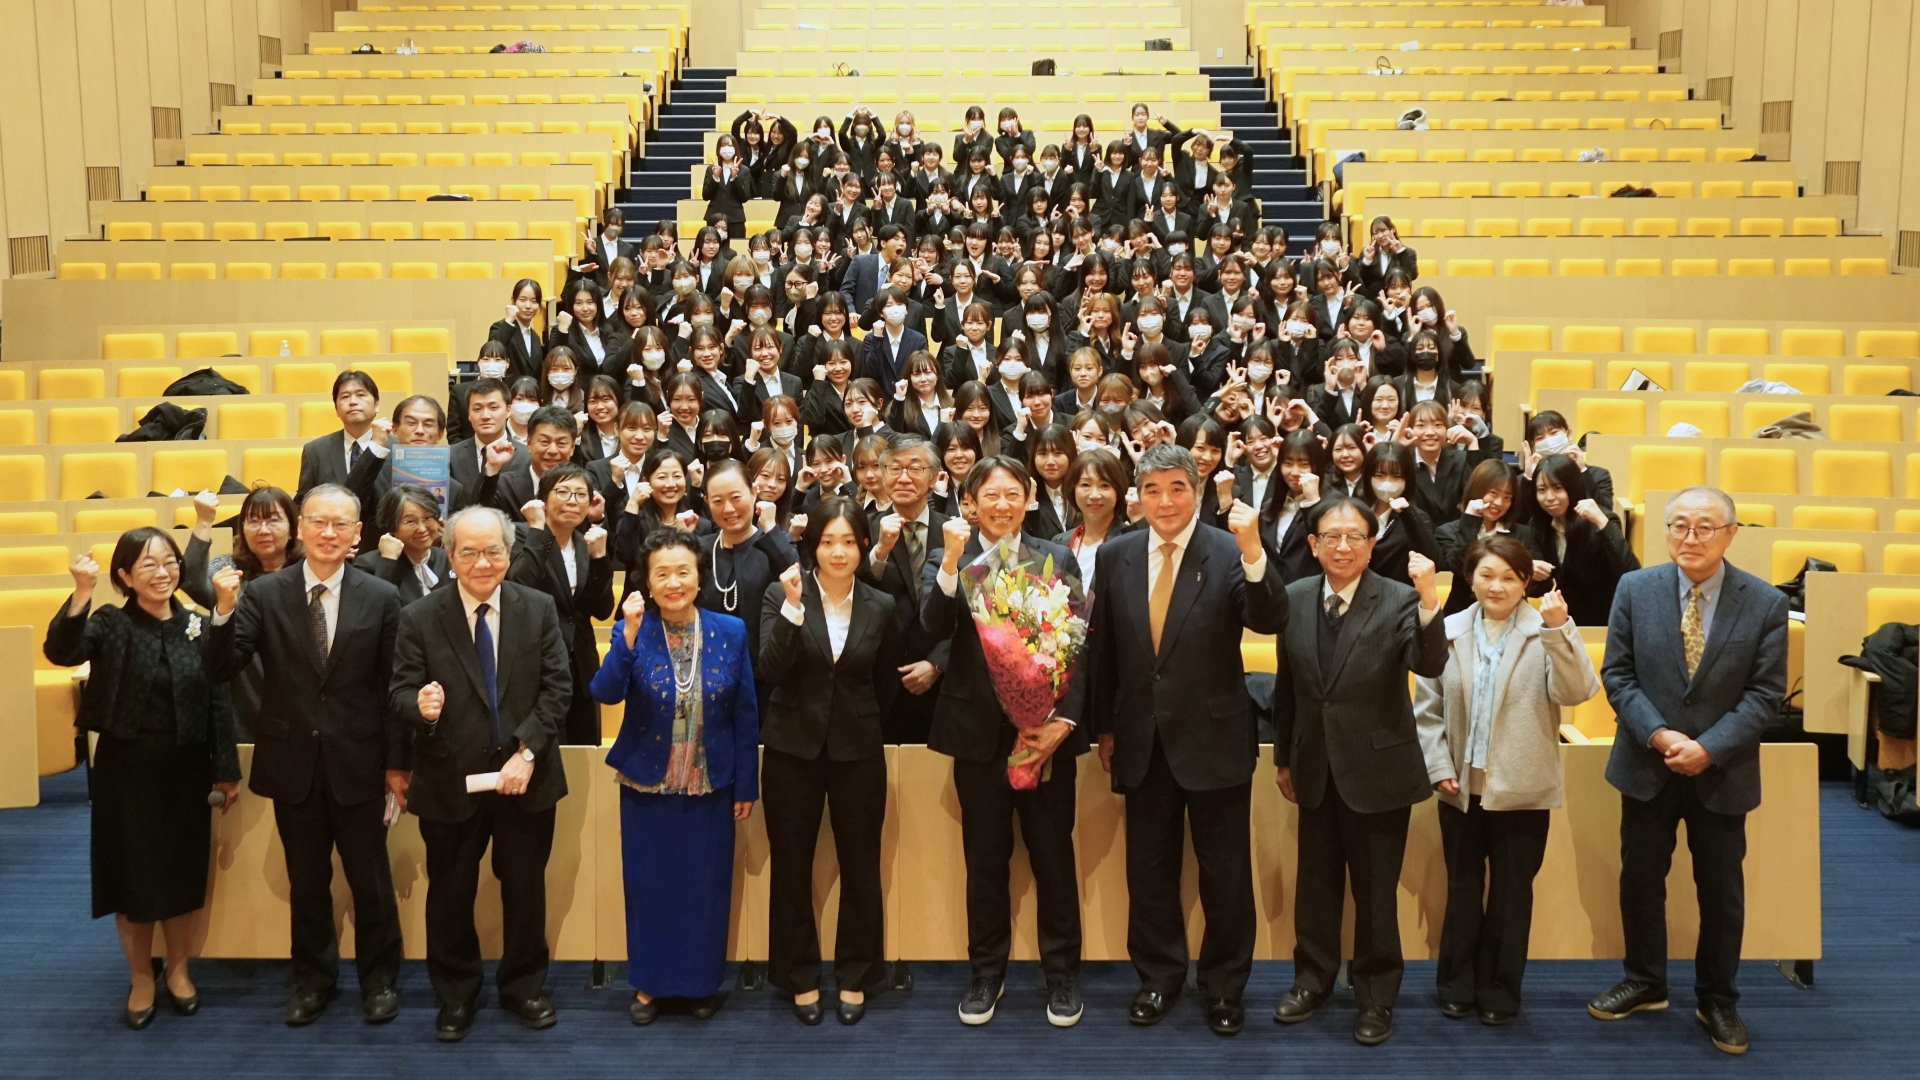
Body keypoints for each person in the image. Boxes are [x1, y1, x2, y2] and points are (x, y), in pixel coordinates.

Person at [1084, 442, 1288, 1037]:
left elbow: (1270, 617)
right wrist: (1103, 724)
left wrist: (1254, 552)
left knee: (1225, 875)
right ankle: (1158, 977)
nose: (1165, 501)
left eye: (1177, 488)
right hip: (1141, 740)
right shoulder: (1116, 555)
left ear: (1196, 492)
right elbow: (1104, 651)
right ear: (1137, 498)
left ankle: (1224, 988)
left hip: (1214, 740)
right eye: (1152, 489)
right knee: (1149, 871)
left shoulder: (1228, 551)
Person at [1586, 487, 1788, 1056]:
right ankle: (1645, 979)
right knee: (1640, 880)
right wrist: (1661, 734)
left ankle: (1717, 999)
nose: (1689, 538)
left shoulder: (1767, 602)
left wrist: (1709, 747)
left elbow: (1766, 694)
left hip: (1721, 772)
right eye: (1678, 526)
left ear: (1730, 533)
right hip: (1646, 763)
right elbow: (1618, 675)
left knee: (1721, 893)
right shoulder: (1634, 588)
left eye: (1703, 527)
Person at [201, 484, 406, 1027]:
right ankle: (313, 980)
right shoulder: (264, 594)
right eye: (318, 522)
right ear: (300, 529)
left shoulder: (382, 596)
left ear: (357, 534)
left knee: (371, 879)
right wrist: (222, 612)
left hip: (360, 762)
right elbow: (219, 668)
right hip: (292, 762)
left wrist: (397, 763)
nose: (328, 533)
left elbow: (394, 688)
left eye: (341, 524)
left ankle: (380, 979)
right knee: (307, 879)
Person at [389, 506, 572, 1042]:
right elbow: (399, 693)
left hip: (525, 779)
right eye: (468, 551)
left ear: (509, 554)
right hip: (450, 781)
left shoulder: (537, 608)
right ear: (449, 557)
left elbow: (558, 689)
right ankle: (455, 995)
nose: (482, 562)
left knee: (524, 891)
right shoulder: (420, 617)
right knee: (449, 895)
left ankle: (523, 988)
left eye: (493, 550)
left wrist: (528, 752)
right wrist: (417, 705)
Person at [45, 530, 240, 1029]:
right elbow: (61, 652)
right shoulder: (110, 623)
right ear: (125, 576)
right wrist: (82, 593)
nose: (162, 572)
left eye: (170, 562)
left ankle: (178, 970)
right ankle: (139, 977)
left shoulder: (197, 624)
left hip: (186, 770)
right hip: (124, 771)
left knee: (180, 875)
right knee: (128, 876)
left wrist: (225, 769)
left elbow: (219, 696)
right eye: (148, 565)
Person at [1271, 494, 1447, 1045]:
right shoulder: (1295, 597)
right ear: (1313, 545)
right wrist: (1282, 756)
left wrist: (1428, 601)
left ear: (1373, 546)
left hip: (1378, 770)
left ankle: (1377, 995)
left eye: (1354, 537)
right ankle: (1313, 978)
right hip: (1313, 766)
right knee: (1316, 887)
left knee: (1375, 893)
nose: (1342, 546)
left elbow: (1430, 662)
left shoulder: (1398, 599)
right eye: (1331, 536)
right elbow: (1289, 688)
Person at [921, 455, 1088, 1027]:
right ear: (970, 502)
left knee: (1054, 860)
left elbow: (1077, 646)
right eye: (988, 495)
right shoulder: (951, 559)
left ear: (1029, 498)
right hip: (978, 739)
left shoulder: (1057, 556)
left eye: (1011, 493)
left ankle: (1061, 977)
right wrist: (948, 560)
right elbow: (933, 628)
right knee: (985, 861)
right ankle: (985, 972)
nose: (1000, 504)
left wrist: (1059, 723)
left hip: (1043, 738)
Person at [1414, 536, 1600, 1024]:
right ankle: (1456, 982)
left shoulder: (1546, 630)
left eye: (1509, 578)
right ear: (1469, 578)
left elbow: (1578, 691)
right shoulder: (1447, 630)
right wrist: (1439, 768)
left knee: (1513, 894)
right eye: (1486, 575)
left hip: (1522, 788)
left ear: (1526, 583)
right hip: (1459, 787)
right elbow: (1426, 713)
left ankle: (1500, 990)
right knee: (1462, 887)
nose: (1496, 586)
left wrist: (1561, 630)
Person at [593, 528, 759, 1025]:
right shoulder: (636, 630)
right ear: (646, 580)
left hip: (712, 782)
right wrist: (623, 637)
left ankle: (699, 985)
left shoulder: (730, 630)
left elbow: (746, 712)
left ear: (698, 577)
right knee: (650, 888)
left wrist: (746, 784)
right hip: (649, 781)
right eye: (661, 573)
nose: (673, 582)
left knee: (704, 889)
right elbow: (604, 692)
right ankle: (649, 986)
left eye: (682, 571)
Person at [758, 499, 900, 1026]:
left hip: (858, 749)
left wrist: (858, 719)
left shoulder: (881, 604)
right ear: (811, 545)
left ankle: (856, 974)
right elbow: (770, 668)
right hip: (791, 749)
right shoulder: (782, 592)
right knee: (792, 867)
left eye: (848, 541)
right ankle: (798, 975)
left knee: (861, 866)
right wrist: (794, 610)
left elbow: (885, 683)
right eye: (827, 541)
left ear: (864, 545)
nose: (838, 551)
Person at [507, 464, 615, 745]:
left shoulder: (587, 543)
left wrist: (601, 559)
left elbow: (602, 610)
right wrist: (538, 530)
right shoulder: (520, 535)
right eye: (563, 492)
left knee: (582, 748)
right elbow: (518, 587)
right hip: (534, 663)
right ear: (543, 499)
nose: (572, 500)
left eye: (581, 494)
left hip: (580, 665)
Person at [181, 486, 301, 736]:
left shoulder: (309, 572)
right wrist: (204, 520)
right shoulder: (229, 569)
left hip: (300, 700)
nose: (263, 530)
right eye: (253, 521)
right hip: (245, 698)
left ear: (293, 528)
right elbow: (190, 580)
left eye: (273, 520)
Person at [864, 436, 951, 743]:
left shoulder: (955, 531)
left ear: (934, 476)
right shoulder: (861, 529)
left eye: (915, 468)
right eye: (894, 468)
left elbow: (972, 610)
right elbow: (853, 591)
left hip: (944, 682)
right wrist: (879, 553)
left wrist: (937, 663)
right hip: (880, 679)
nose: (903, 478)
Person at [1524, 453, 1635, 628]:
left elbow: (1629, 570)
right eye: (1542, 490)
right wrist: (1530, 570)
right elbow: (1542, 588)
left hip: (1607, 618)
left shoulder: (1601, 518)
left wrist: (1603, 524)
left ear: (1572, 487)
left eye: (1557, 488)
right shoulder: (1539, 525)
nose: (1549, 497)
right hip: (1567, 620)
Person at [357, 484, 450, 605]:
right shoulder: (368, 565)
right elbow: (375, 612)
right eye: (410, 521)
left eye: (428, 518)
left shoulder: (448, 558)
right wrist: (388, 563)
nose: (422, 529)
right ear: (391, 526)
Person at [295, 371, 382, 500]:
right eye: (345, 396)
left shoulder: (396, 449)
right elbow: (303, 503)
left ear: (377, 405)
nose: (353, 402)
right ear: (336, 408)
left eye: (361, 395)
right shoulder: (315, 451)